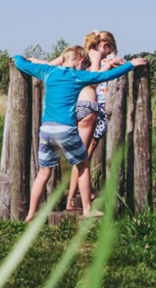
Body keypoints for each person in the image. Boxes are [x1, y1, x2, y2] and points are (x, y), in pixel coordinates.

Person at [14, 46, 147, 221]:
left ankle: (30, 214)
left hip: (46, 129)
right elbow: (104, 76)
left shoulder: (47, 71)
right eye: (84, 66)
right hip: (66, 129)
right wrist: (130, 64)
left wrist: (19, 56)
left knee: (43, 172)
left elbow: (20, 63)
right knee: (83, 166)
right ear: (81, 61)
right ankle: (86, 209)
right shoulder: (78, 75)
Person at [27, 31, 123, 212]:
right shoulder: (94, 57)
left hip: (66, 112)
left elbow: (51, 65)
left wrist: (32, 61)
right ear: (104, 46)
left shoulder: (76, 55)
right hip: (89, 104)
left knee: (70, 161)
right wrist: (112, 67)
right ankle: (75, 201)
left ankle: (39, 210)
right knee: (82, 159)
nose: (110, 53)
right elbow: (94, 80)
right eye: (110, 49)